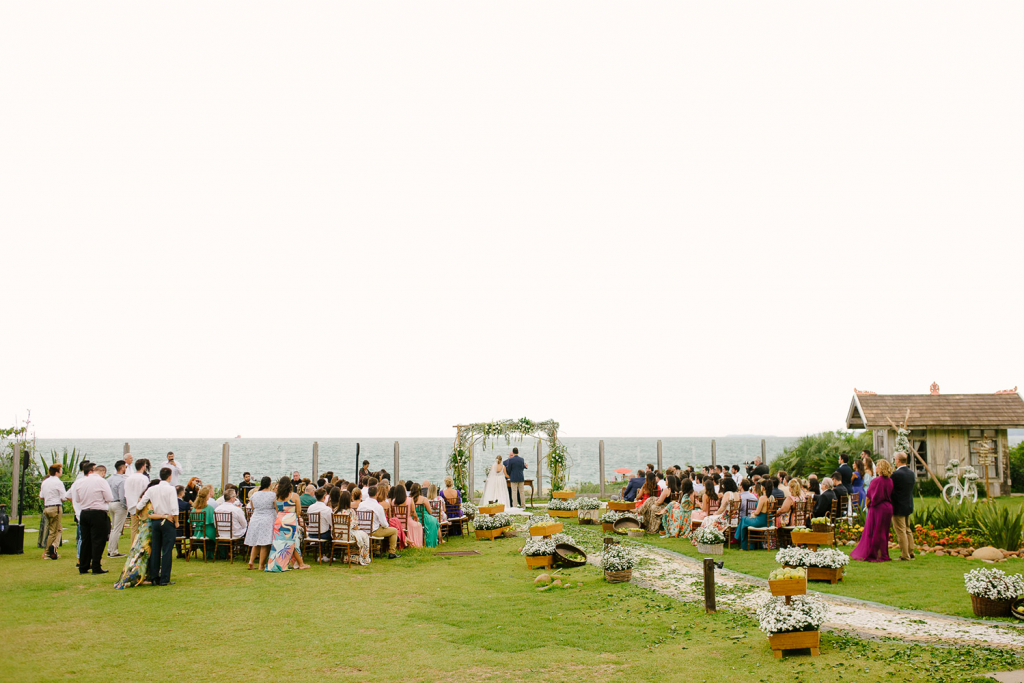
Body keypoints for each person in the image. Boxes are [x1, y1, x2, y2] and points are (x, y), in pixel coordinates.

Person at [136, 467, 179, 586]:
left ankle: (154, 577)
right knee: (167, 550)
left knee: (155, 549)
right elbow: (174, 507)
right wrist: (176, 521)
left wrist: (137, 511)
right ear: (170, 476)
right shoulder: (171, 489)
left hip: (156, 520)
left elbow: (141, 503)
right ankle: (165, 578)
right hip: (167, 519)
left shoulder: (152, 489)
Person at [114, 481, 160, 589]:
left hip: (141, 529)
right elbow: (151, 514)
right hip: (148, 530)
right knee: (144, 553)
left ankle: (144, 575)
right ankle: (141, 576)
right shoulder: (150, 502)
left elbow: (136, 513)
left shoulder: (141, 500)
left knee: (137, 551)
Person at [72, 463, 113, 575]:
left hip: (84, 512)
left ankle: (83, 566)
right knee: (98, 541)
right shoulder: (101, 481)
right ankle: (96, 566)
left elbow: (77, 499)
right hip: (98, 512)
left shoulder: (80, 482)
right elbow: (109, 497)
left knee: (86, 540)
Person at [850, 459, 894, 562]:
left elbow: (869, 496)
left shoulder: (876, 481)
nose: (876, 468)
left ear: (881, 468)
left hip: (877, 508)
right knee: (883, 532)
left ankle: (873, 553)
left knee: (873, 531)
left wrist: (866, 505)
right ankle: (882, 553)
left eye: (878, 466)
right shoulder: (890, 480)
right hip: (887, 508)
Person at [266, 477, 310, 572]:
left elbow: (278, 511)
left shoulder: (277, 498)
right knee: (294, 543)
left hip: (279, 521)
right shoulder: (294, 496)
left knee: (278, 544)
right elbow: (298, 511)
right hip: (290, 522)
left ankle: (275, 563)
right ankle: (300, 564)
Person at [360, 485, 401, 558]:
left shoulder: (361, 504)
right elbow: (384, 524)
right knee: (394, 531)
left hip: (362, 530)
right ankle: (392, 552)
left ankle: (376, 551)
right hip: (373, 531)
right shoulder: (378, 507)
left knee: (377, 527)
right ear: (376, 494)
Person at [245, 477, 276, 570]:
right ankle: (261, 565)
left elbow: (253, 507)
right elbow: (275, 507)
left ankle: (251, 561)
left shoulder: (255, 494)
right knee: (265, 543)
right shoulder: (272, 495)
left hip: (256, 518)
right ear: (270, 484)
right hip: (267, 519)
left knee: (256, 542)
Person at [38, 464, 68, 560]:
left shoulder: (45, 482)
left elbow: (41, 496)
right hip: (55, 507)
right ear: (57, 472)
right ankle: (48, 551)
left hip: (47, 507)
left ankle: (54, 547)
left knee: (58, 529)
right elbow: (63, 497)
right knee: (53, 531)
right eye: (61, 470)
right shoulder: (58, 482)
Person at [891, 453, 917, 561]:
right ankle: (911, 552)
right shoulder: (911, 473)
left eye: (895, 459)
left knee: (901, 531)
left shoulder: (896, 474)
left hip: (898, 506)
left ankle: (905, 555)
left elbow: (891, 489)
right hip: (908, 504)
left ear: (898, 460)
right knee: (907, 529)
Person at [734, 481, 770, 550]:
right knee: (745, 520)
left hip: (760, 521)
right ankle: (751, 545)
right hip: (767, 520)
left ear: (764, 488)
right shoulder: (771, 497)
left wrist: (754, 513)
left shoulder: (763, 498)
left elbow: (758, 512)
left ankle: (741, 542)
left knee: (743, 520)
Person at [124, 459, 151, 546]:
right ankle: (143, 546)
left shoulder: (129, 478)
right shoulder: (144, 478)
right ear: (143, 466)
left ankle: (133, 546)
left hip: (132, 505)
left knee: (134, 528)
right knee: (144, 527)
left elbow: (126, 492)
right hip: (142, 506)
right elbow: (147, 492)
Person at [106, 460, 128, 558]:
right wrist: (125, 505)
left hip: (110, 503)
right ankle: (113, 551)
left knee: (114, 528)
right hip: (118, 503)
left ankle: (110, 548)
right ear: (122, 468)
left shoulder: (109, 479)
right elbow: (122, 495)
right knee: (117, 529)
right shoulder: (122, 480)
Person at [410, 483, 439, 548]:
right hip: (424, 518)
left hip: (413, 519)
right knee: (434, 521)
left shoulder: (409, 499)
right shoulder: (424, 499)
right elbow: (430, 511)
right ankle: (431, 542)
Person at [191, 485, 217, 556]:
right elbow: (214, 521)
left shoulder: (194, 508)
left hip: (197, 531)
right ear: (206, 496)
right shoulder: (209, 508)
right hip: (207, 531)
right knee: (218, 533)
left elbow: (191, 522)